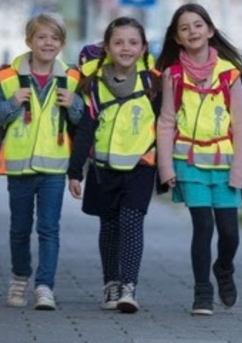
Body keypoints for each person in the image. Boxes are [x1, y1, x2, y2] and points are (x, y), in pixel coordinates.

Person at [0, 13, 83, 310]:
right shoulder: (8, 77)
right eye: (41, 37)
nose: (48, 43)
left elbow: (84, 122)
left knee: (49, 228)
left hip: (54, 167)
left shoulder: (72, 78)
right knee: (19, 228)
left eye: (54, 38)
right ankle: (19, 278)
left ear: (62, 44)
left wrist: (74, 105)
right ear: (29, 41)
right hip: (20, 166)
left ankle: (44, 287)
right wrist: (13, 103)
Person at [155, 2, 242, 316]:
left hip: (224, 164)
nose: (192, 31)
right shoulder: (173, 76)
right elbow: (166, 122)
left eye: (197, 25)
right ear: (177, 38)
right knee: (203, 226)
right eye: (184, 27)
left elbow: (240, 126)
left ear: (209, 31)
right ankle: (202, 292)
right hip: (189, 163)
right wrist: (166, 168)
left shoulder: (229, 75)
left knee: (230, 233)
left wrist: (239, 171)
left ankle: (223, 268)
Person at [67, 16, 160, 314]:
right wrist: (74, 171)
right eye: (118, 42)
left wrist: (168, 168)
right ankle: (111, 282)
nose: (126, 48)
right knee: (109, 227)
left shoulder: (153, 83)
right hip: (103, 169)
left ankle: (128, 287)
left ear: (144, 48)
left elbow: (166, 124)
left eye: (133, 42)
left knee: (132, 224)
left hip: (140, 167)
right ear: (106, 47)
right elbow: (85, 130)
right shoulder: (94, 85)